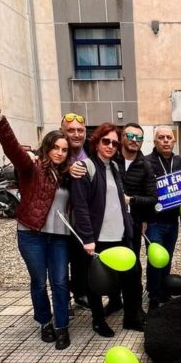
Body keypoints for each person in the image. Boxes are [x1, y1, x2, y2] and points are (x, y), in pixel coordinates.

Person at [0, 97, 73, 349]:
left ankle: (62, 326)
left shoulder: (68, 174)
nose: (60, 153)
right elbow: (13, 149)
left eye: (64, 149)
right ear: (46, 148)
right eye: (56, 148)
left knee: (60, 281)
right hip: (31, 234)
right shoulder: (31, 168)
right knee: (38, 280)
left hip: (59, 237)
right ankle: (45, 322)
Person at [72, 124, 144, 336]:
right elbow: (81, 206)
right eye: (106, 141)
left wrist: (129, 228)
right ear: (96, 142)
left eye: (114, 142)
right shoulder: (86, 167)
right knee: (96, 282)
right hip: (97, 238)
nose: (111, 146)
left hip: (120, 235)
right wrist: (87, 237)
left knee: (131, 277)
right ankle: (98, 320)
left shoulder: (113, 167)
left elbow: (119, 202)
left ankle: (131, 318)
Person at [111, 122, 157, 317]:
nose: (135, 141)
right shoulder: (110, 160)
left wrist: (131, 200)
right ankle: (114, 302)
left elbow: (153, 198)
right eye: (131, 137)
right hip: (108, 224)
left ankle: (135, 311)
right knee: (111, 266)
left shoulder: (145, 166)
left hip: (133, 224)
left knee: (133, 267)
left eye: (139, 138)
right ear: (122, 138)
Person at [144, 126, 181, 310]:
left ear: (174, 141)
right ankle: (154, 296)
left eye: (168, 137)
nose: (165, 140)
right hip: (154, 221)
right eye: (161, 137)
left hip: (172, 222)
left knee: (167, 258)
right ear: (155, 141)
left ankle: (163, 291)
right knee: (155, 260)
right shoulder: (146, 162)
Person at [60, 112, 91, 309]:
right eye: (71, 130)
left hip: (83, 219)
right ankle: (64, 302)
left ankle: (80, 293)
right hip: (60, 221)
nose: (76, 134)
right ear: (62, 131)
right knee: (61, 265)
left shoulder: (91, 151)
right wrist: (67, 169)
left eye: (80, 130)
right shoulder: (54, 151)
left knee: (82, 261)